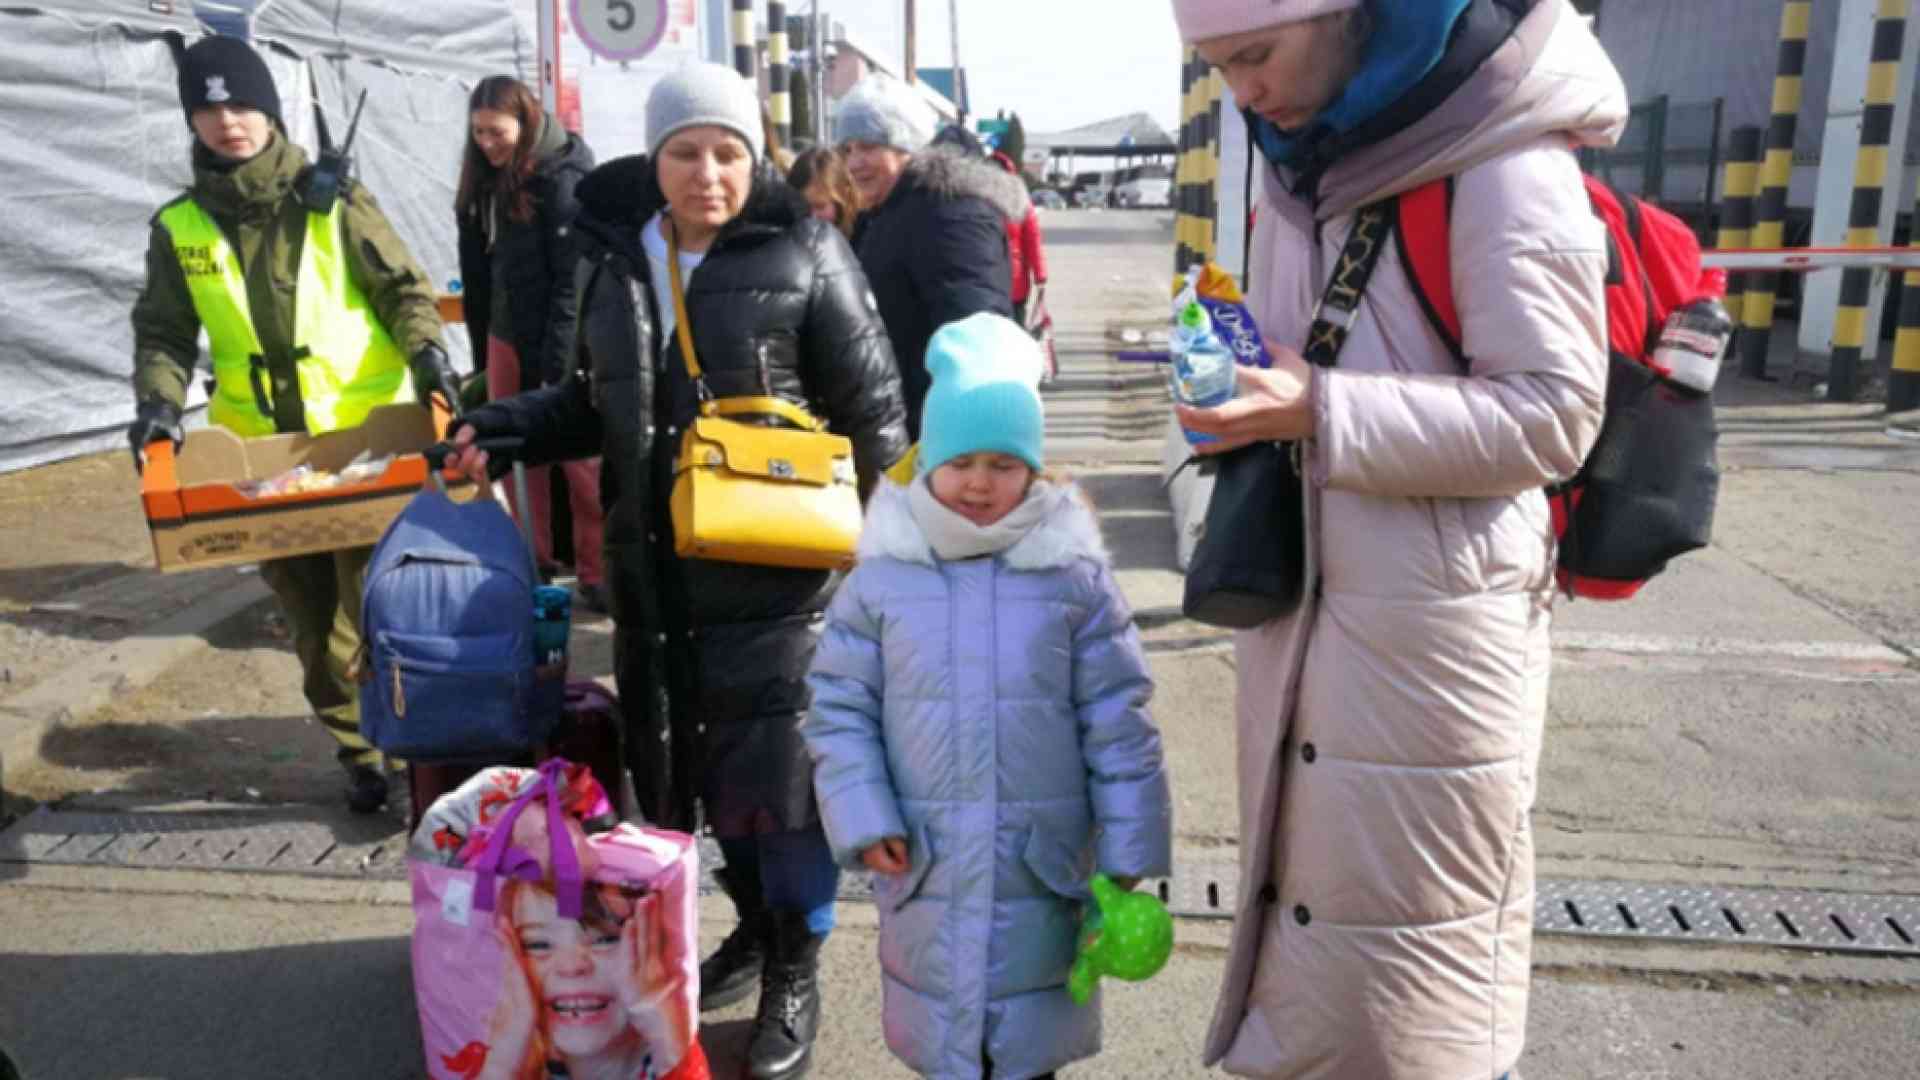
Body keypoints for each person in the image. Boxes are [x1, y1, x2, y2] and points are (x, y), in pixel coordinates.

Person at [1167, 1, 1625, 1077]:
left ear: (1349, 15)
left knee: (1420, 977)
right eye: (1219, 66)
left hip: (1434, 638)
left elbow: (1556, 414)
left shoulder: (1505, 159)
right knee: (1313, 930)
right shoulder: (1303, 162)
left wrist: (1319, 407)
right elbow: (1309, 363)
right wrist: (1243, 384)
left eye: (1256, 54)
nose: (1244, 92)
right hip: (1311, 605)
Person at [446, 62, 910, 1080]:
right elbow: (594, 403)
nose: (708, 172)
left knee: (785, 787)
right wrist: (503, 425)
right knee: (701, 780)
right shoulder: (616, 256)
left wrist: (890, 565)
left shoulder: (806, 250)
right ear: (654, 160)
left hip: (783, 581)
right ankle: (757, 926)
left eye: (728, 152)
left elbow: (877, 417)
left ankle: (796, 962)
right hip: (657, 580)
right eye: (686, 151)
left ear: (755, 159)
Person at [803, 314, 1172, 1080]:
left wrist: (1131, 845)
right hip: (925, 865)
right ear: (929, 458)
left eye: (1004, 464)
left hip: (1039, 869)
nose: (979, 482)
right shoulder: (884, 579)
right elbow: (840, 711)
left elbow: (1118, 720)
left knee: (1028, 1048)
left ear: (1034, 469)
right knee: (944, 1040)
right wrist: (863, 815)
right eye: (961, 461)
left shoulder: (1072, 579)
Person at [129, 34, 459, 814]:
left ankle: (412, 749)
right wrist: (158, 405)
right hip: (261, 460)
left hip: (365, 445)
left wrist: (431, 361)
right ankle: (359, 752)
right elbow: (165, 333)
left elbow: (403, 291)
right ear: (192, 120)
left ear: (271, 111)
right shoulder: (179, 226)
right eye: (209, 109)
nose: (228, 121)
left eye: (243, 104)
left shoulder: (333, 200)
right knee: (313, 628)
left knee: (378, 611)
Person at [455, 75, 607, 612]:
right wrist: (482, 352)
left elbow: (571, 284)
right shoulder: (485, 181)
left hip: (564, 336)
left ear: (525, 123)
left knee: (580, 458)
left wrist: (557, 363)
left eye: (496, 132)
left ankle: (598, 570)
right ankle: (533, 558)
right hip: (507, 332)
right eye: (478, 133)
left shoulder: (565, 178)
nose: (486, 144)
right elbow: (478, 274)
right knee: (514, 446)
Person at [834, 75, 1028, 438]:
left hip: (935, 433)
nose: (855, 162)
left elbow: (975, 335)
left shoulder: (949, 212)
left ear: (906, 146)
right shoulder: (888, 211)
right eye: (847, 150)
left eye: (869, 147)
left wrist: (960, 451)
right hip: (899, 424)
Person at [482, 879, 702, 1080]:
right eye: (537, 944)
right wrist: (500, 1066)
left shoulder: (672, 1062)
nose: (571, 966)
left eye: (605, 939)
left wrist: (667, 1039)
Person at [991, 150, 1048, 328]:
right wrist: (1040, 274)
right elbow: (1033, 241)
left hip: (989, 281)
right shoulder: (1021, 202)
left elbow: (1032, 240)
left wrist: (1040, 274)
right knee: (1015, 329)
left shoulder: (977, 201)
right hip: (1015, 281)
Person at [785, 147, 858, 239]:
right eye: (802, 207)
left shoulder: (864, 239)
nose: (812, 217)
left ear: (843, 199)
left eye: (820, 206)